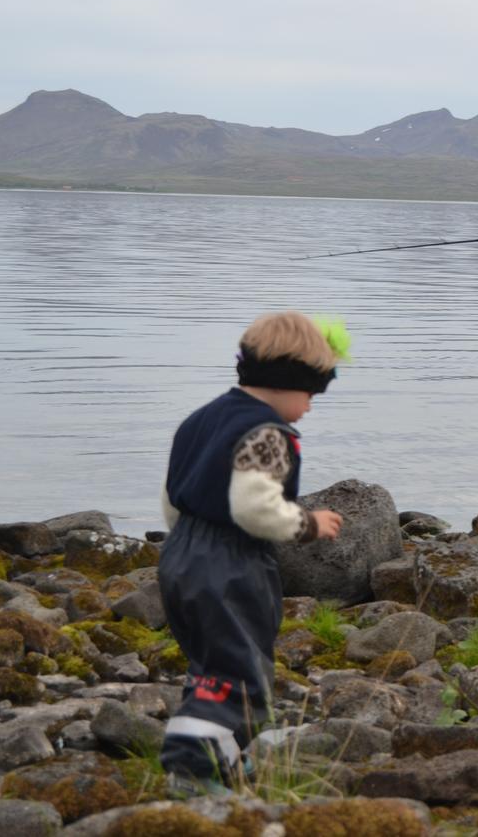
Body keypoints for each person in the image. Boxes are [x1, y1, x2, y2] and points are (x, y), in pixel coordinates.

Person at [157, 311, 348, 793]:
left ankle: (221, 751)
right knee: (242, 671)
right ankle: (192, 760)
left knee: (211, 661)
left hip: (181, 554)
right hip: (231, 563)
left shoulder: (201, 419)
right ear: (288, 381)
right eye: (311, 395)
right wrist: (308, 523)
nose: (308, 407)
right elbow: (253, 507)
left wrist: (186, 544)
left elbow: (171, 494)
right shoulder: (267, 434)